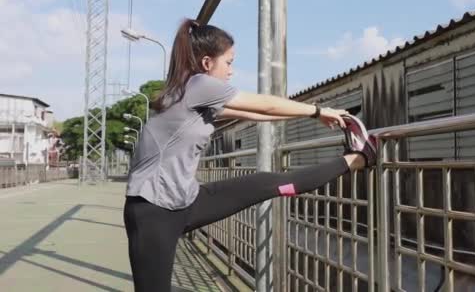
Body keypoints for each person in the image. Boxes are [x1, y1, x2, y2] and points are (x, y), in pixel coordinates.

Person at [123, 19, 377, 292]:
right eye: (229, 63)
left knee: (273, 183)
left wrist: (315, 116)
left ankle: (358, 158)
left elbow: (255, 113)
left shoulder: (192, 94)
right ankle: (358, 157)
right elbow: (265, 105)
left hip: (186, 201)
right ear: (208, 63)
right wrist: (317, 111)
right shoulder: (199, 85)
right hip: (153, 211)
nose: (231, 71)